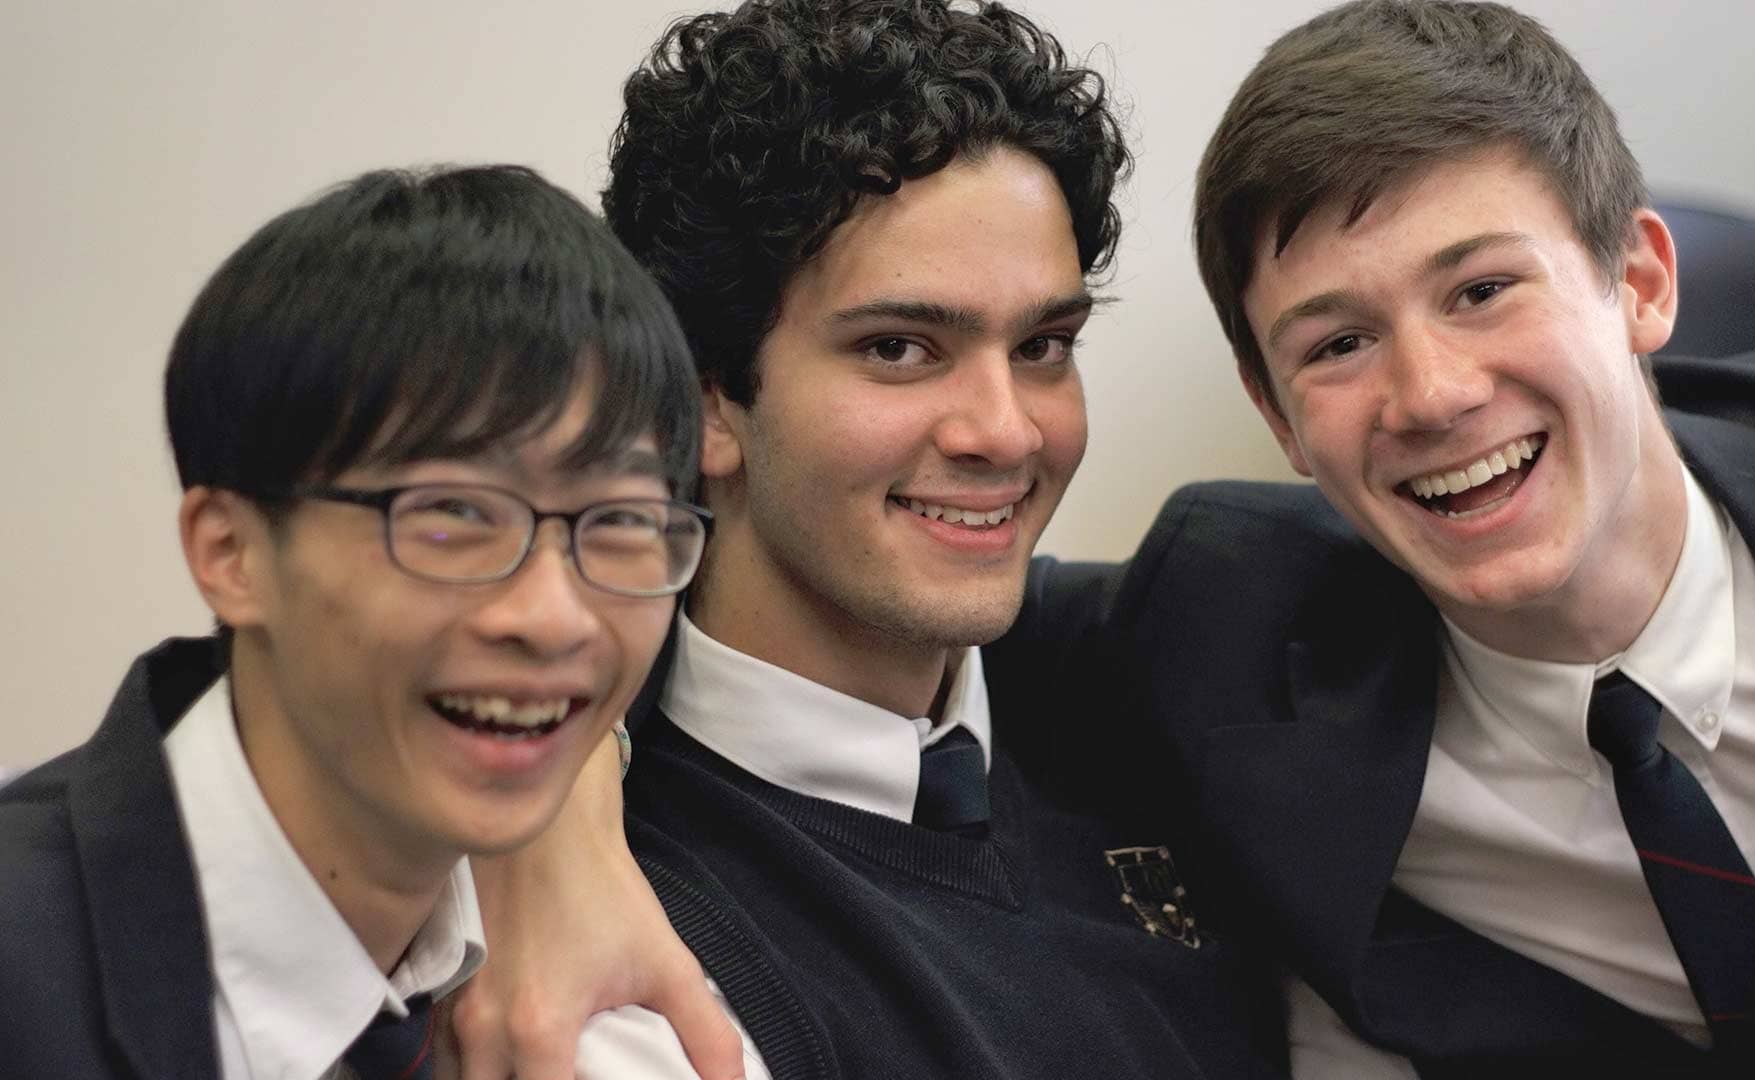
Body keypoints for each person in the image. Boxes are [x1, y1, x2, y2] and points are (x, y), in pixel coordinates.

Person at [1022, 0, 1755, 1073]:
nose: (1432, 395)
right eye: (1340, 343)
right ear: (1278, 417)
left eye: (1483, 290)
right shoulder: (1220, 627)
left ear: (1639, 282)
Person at [451, 2, 1279, 1079]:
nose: (1005, 430)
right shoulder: (634, 972)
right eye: (899, 348)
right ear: (701, 403)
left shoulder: (1161, 695)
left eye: (1043, 345)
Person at [0, 164, 708, 1077]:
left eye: (617, 523)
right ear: (232, 553)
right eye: (452, 514)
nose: (551, 617)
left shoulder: (615, 1023)